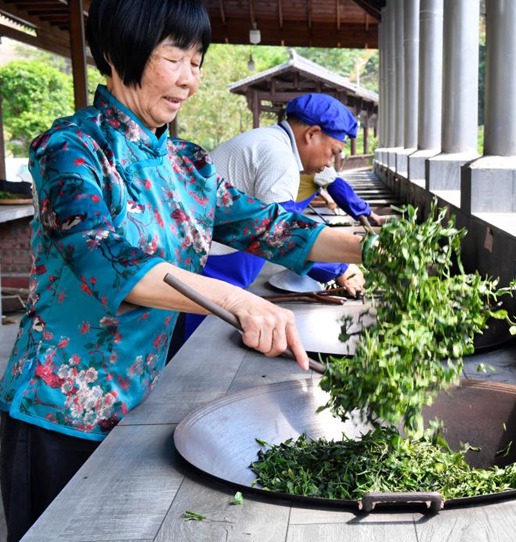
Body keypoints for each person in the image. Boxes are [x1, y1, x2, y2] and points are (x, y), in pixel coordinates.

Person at [0, 1, 370, 539]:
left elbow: (271, 227)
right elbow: (102, 257)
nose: (189, 80)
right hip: (61, 414)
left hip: (145, 399)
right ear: (116, 52)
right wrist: (238, 300)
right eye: (174, 58)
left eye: (196, 62)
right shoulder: (71, 148)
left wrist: (377, 251)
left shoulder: (185, 164)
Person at [181, 94, 373, 338]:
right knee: (193, 353)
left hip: (217, 257)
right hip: (204, 267)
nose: (330, 162)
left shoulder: (271, 141)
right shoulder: (279, 156)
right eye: (333, 151)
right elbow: (283, 232)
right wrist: (341, 268)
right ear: (312, 133)